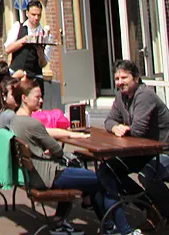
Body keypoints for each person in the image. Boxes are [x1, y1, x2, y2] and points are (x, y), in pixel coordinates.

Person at [10, 79, 135, 235]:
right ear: (24, 98)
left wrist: (46, 149)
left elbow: (44, 141)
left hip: (35, 175)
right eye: (37, 97)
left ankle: (107, 226)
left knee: (91, 179)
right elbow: (57, 150)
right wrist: (51, 150)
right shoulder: (32, 123)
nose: (41, 100)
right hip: (50, 175)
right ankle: (123, 230)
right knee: (103, 180)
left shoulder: (15, 121)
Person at [99, 60, 169, 230]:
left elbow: (138, 131)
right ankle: (151, 207)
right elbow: (109, 120)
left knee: (147, 174)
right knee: (108, 169)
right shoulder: (121, 97)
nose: (120, 82)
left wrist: (123, 130)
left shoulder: (145, 96)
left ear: (136, 78)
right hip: (144, 153)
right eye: (117, 78)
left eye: (124, 77)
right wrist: (116, 127)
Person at [4, 0, 52, 80]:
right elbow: (7, 50)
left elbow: (43, 64)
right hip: (16, 75)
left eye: (39, 15)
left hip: (34, 78)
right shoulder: (18, 27)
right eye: (33, 14)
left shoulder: (45, 36)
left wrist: (40, 54)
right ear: (27, 13)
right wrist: (23, 40)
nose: (36, 18)